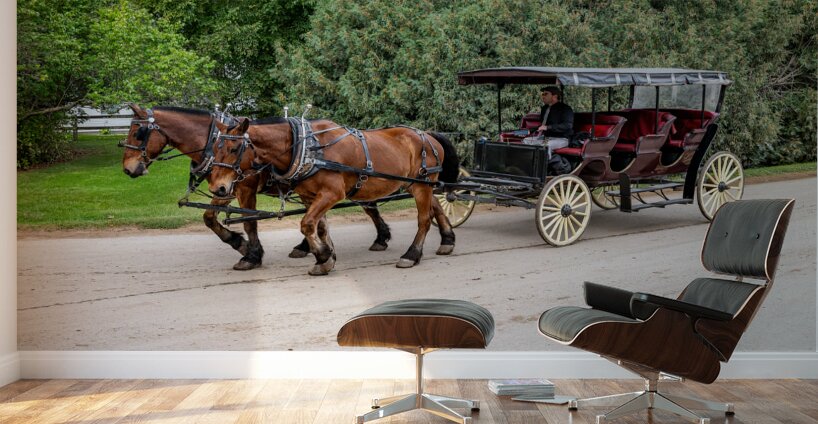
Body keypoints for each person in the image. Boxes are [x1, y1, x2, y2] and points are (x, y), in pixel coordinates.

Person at [524, 86, 574, 156]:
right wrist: (529, 131)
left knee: (545, 146)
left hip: (561, 138)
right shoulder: (544, 108)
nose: (543, 96)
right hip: (546, 138)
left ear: (554, 96)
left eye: (546, 94)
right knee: (526, 141)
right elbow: (542, 126)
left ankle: (545, 165)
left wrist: (548, 127)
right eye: (542, 94)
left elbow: (568, 125)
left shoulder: (566, 109)